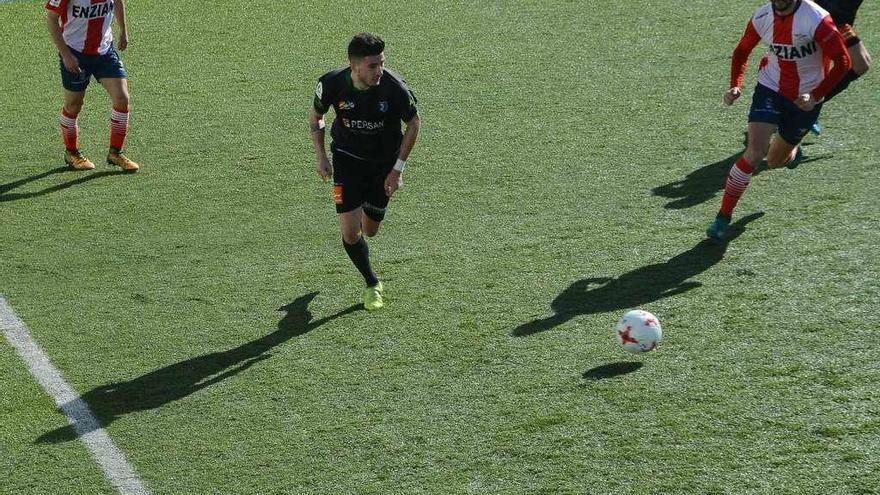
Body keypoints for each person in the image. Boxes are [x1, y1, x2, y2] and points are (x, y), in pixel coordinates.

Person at [706, 0, 851, 241]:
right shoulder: (762, 16)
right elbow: (742, 50)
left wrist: (815, 95)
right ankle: (722, 217)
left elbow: (843, 61)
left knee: (773, 162)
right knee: (754, 153)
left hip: (806, 99)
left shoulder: (816, 19)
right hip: (770, 88)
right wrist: (735, 85)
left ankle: (792, 152)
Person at [309, 33, 421, 310]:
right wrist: (321, 156)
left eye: (382, 63)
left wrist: (397, 170)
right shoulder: (332, 83)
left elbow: (415, 124)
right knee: (349, 233)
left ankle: (360, 214)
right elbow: (316, 117)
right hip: (346, 161)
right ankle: (372, 282)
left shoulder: (394, 89)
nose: (379, 71)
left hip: (383, 166)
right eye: (373, 66)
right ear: (354, 65)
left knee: (369, 231)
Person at [45, 0, 139, 172]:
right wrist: (66, 55)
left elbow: (118, 1)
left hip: (104, 52)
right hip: (75, 53)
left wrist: (123, 30)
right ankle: (72, 153)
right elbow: (51, 19)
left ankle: (115, 153)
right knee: (74, 105)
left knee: (122, 99)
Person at [810, 0, 871, 134]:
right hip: (819, 20)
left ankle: (809, 107)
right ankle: (800, 111)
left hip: (840, 22)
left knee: (861, 63)